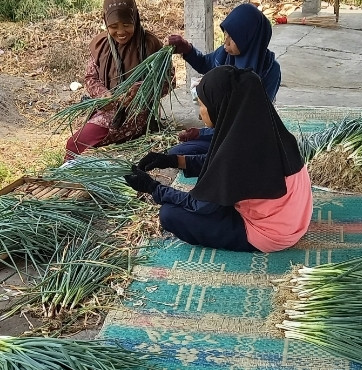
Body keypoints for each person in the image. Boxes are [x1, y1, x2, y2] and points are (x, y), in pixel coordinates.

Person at [124, 66, 312, 253]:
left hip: (271, 233)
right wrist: (173, 160)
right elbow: (219, 165)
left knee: (170, 214)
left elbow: (200, 205)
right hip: (295, 220)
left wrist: (153, 188)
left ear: (221, 105)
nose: (200, 113)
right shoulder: (266, 130)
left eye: (202, 104)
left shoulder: (238, 155)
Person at [166, 3, 282, 158]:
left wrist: (202, 134)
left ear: (248, 39)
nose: (225, 42)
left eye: (232, 38)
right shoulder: (226, 54)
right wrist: (186, 48)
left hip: (247, 135)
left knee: (232, 159)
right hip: (220, 131)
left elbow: (249, 118)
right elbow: (206, 63)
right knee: (177, 153)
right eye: (225, 35)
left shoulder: (269, 70)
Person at [64, 0, 171, 161]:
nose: (121, 31)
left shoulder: (151, 45)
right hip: (108, 108)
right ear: (105, 22)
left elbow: (169, 80)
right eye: (114, 26)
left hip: (137, 114)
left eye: (127, 24)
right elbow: (90, 78)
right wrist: (103, 95)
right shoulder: (100, 45)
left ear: (135, 18)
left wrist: (142, 90)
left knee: (75, 144)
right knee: (75, 145)